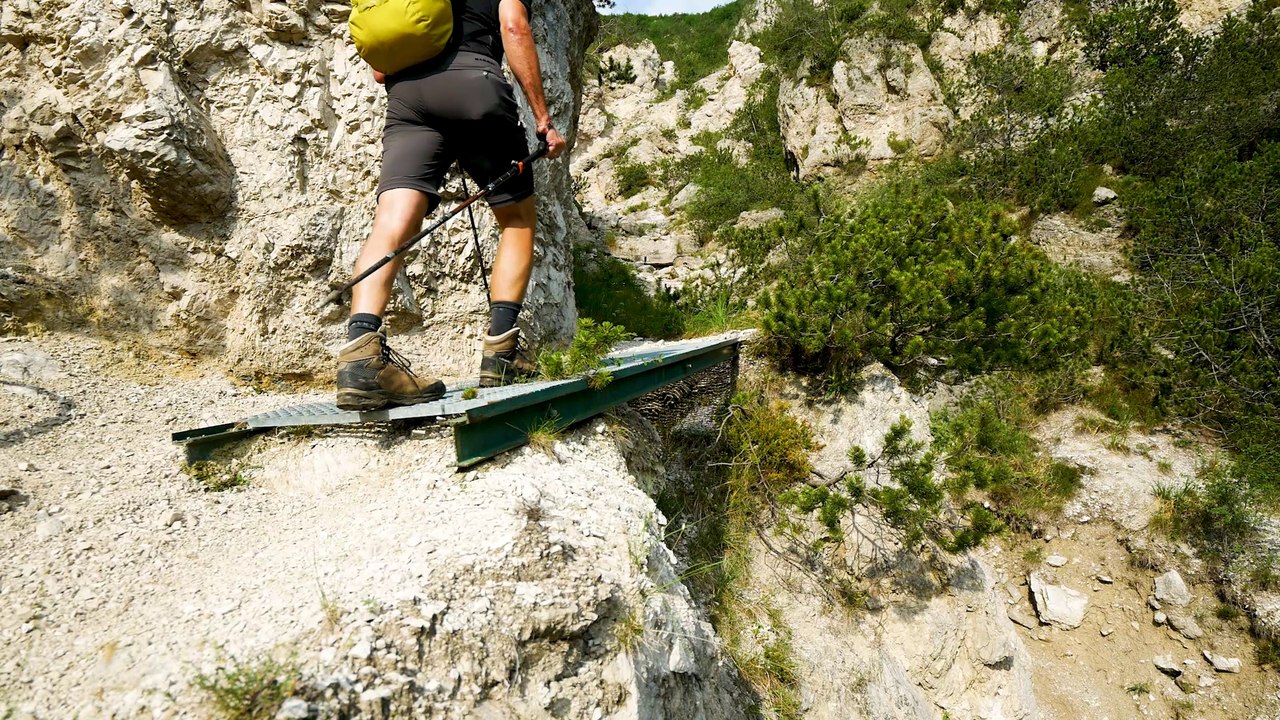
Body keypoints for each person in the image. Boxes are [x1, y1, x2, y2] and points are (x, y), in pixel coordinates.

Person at [335, 0, 567, 412]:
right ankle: (501, 354)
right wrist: (543, 119)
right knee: (516, 220)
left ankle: (361, 357)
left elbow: (378, 69)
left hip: (407, 99)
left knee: (391, 224)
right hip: (473, 86)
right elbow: (514, 27)